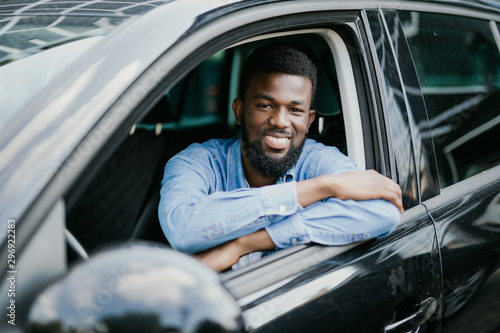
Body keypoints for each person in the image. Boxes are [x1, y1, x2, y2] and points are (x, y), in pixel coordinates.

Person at [158, 43, 403, 272]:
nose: (280, 121)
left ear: (309, 121)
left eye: (295, 110)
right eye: (265, 105)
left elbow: (384, 212)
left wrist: (246, 244)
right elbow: (182, 228)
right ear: (240, 111)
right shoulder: (196, 162)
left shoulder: (319, 162)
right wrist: (322, 188)